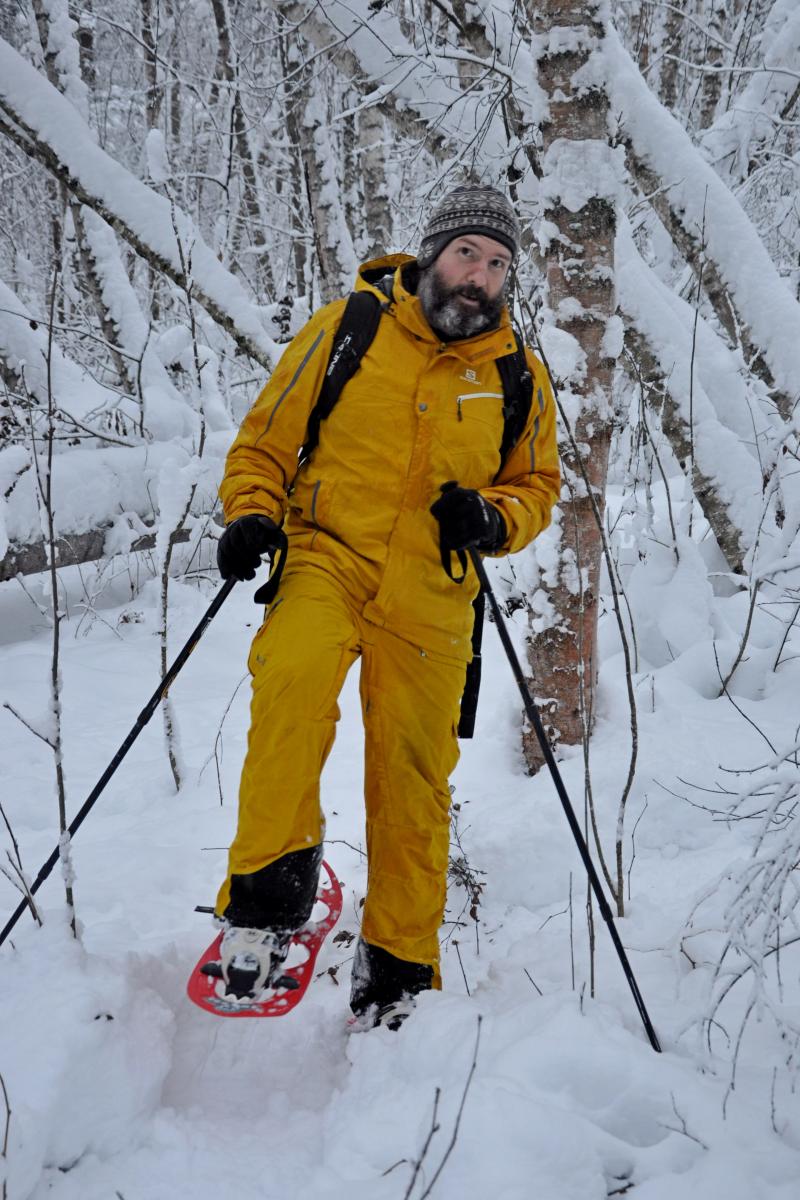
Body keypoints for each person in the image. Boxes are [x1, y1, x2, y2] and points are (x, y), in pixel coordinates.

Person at [214, 184, 560, 1028]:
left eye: (498, 264)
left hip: (434, 596)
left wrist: (493, 518)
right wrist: (252, 512)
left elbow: (537, 487)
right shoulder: (349, 328)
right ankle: (266, 907)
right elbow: (266, 440)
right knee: (290, 684)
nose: (480, 276)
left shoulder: (516, 370)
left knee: (413, 783)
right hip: (327, 557)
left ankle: (400, 967)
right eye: (468, 254)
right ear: (433, 254)